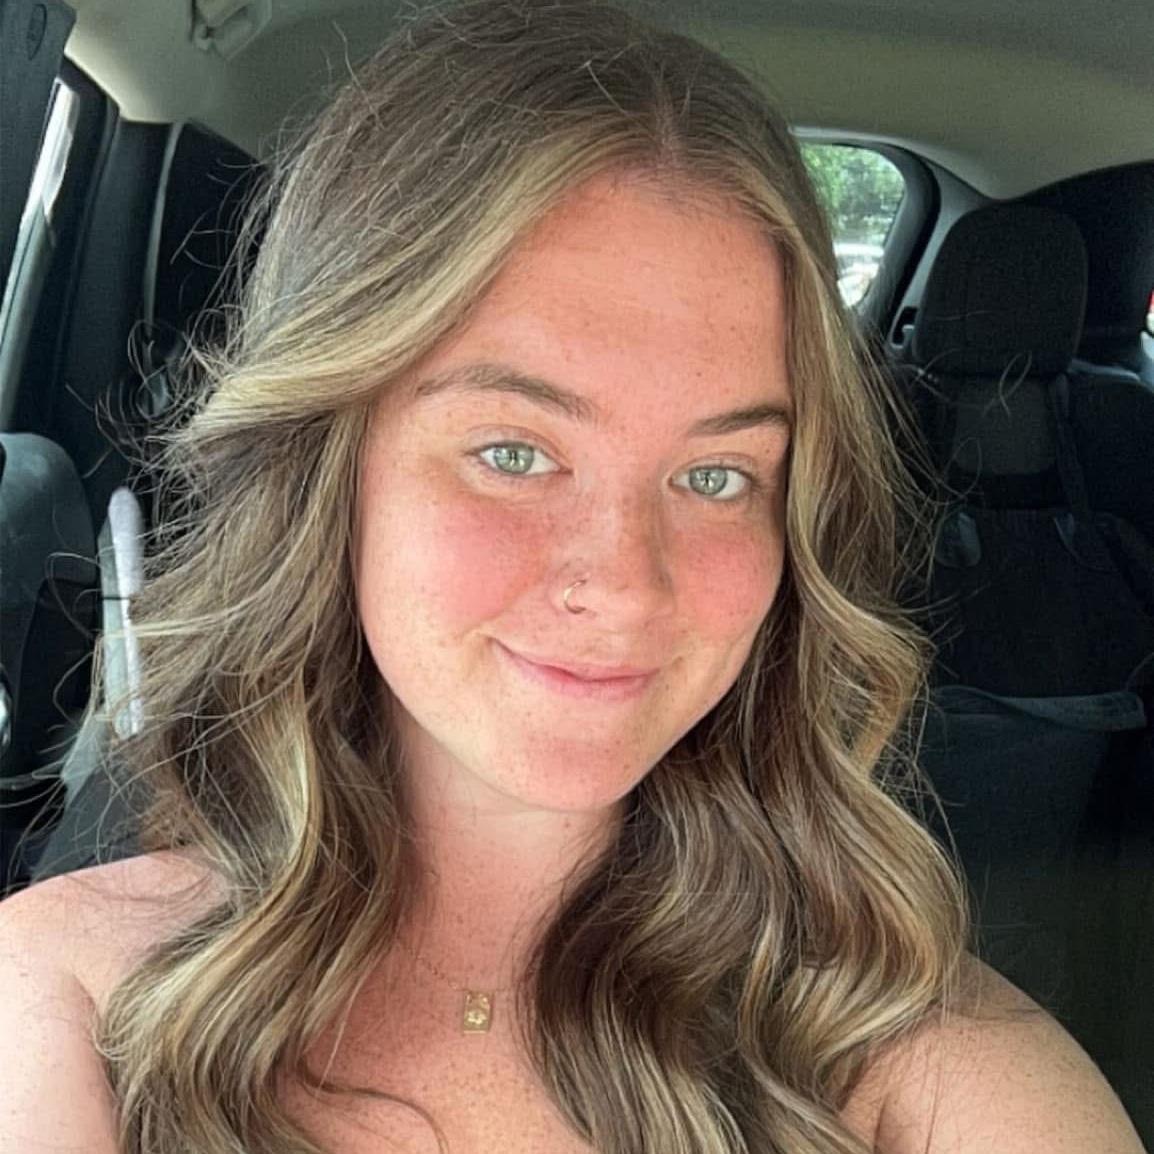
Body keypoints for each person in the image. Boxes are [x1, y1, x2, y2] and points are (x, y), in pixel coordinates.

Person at [2, 0, 1145, 1152]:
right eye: (513, 452)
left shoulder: (938, 1076)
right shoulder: (63, 1000)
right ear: (327, 469)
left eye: (714, 475)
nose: (628, 583)